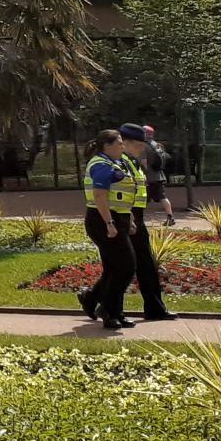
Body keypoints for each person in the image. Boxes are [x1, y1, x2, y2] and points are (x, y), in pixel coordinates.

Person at [78, 129, 137, 331]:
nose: (123, 146)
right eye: (119, 143)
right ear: (107, 146)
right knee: (126, 267)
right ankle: (107, 309)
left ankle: (104, 305)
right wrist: (109, 223)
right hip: (102, 220)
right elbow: (100, 196)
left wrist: (128, 219)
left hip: (116, 218)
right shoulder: (101, 165)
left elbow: (120, 196)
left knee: (115, 269)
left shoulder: (117, 163)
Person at [119, 123, 175, 321]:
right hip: (125, 217)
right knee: (123, 266)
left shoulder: (132, 162)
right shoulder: (121, 162)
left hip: (136, 217)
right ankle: (100, 302)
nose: (142, 148)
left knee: (146, 265)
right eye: (138, 144)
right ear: (125, 143)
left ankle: (155, 309)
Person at [141, 124, 173, 225]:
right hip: (159, 176)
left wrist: (143, 176)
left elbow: (143, 163)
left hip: (148, 177)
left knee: (142, 199)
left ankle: (138, 220)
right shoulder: (158, 145)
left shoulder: (143, 146)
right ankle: (170, 217)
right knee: (163, 197)